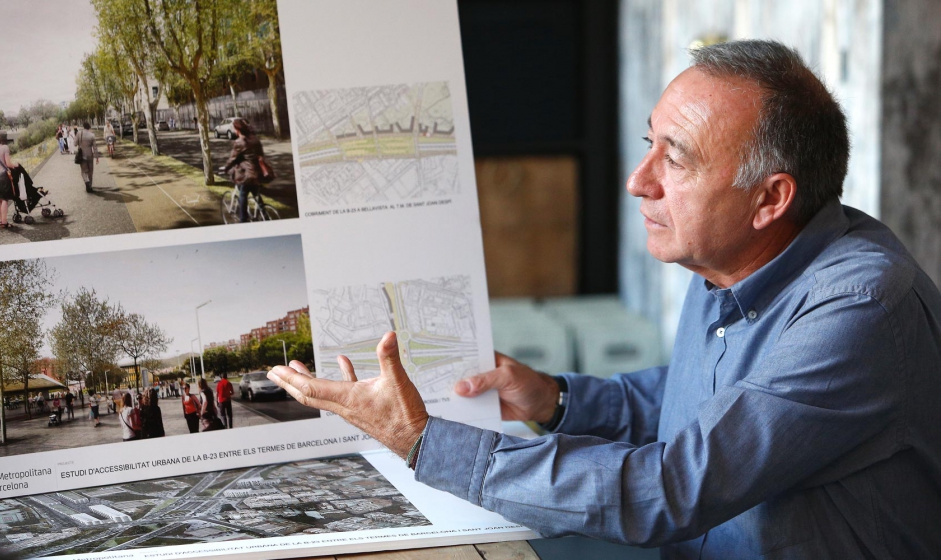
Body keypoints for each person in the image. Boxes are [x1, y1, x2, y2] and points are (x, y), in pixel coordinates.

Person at [267, 39, 941, 558]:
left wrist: (421, 442)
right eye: (651, 143)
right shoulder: (733, 258)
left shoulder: (862, 308)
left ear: (770, 199)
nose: (637, 180)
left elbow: (670, 488)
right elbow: (706, 401)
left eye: (675, 159)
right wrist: (556, 400)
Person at [223, 118, 267, 223]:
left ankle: (243, 220)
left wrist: (226, 168)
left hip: (247, 175)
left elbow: (232, 159)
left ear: (237, 129)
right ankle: (265, 215)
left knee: (243, 195)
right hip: (258, 172)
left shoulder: (239, 142)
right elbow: (260, 154)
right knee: (256, 194)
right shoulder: (255, 139)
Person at [0, 131, 18, 228]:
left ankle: (1, 220)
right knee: (5, 199)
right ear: (5, 138)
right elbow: (8, 164)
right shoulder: (5, 147)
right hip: (2, 175)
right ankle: (5, 222)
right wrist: (15, 165)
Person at [76, 122, 99, 193]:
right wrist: (97, 157)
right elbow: (95, 148)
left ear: (83, 127)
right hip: (90, 155)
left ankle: (86, 181)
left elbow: (74, 143)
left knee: (84, 171)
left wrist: (80, 143)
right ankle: (90, 186)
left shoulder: (79, 133)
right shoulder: (92, 135)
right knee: (90, 171)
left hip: (82, 155)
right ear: (89, 127)